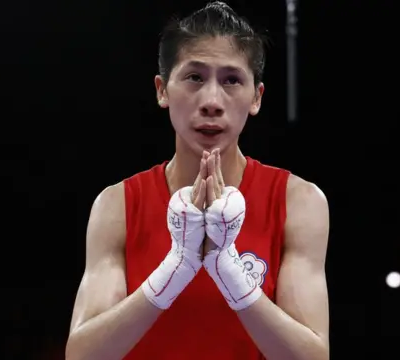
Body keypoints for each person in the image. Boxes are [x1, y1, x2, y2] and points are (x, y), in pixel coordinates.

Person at [65, 2, 330, 359]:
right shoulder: (117, 205)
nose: (211, 101)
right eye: (195, 77)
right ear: (162, 90)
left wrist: (229, 271)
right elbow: (83, 355)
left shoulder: (298, 201)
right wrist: (178, 266)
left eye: (232, 80)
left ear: (256, 97)